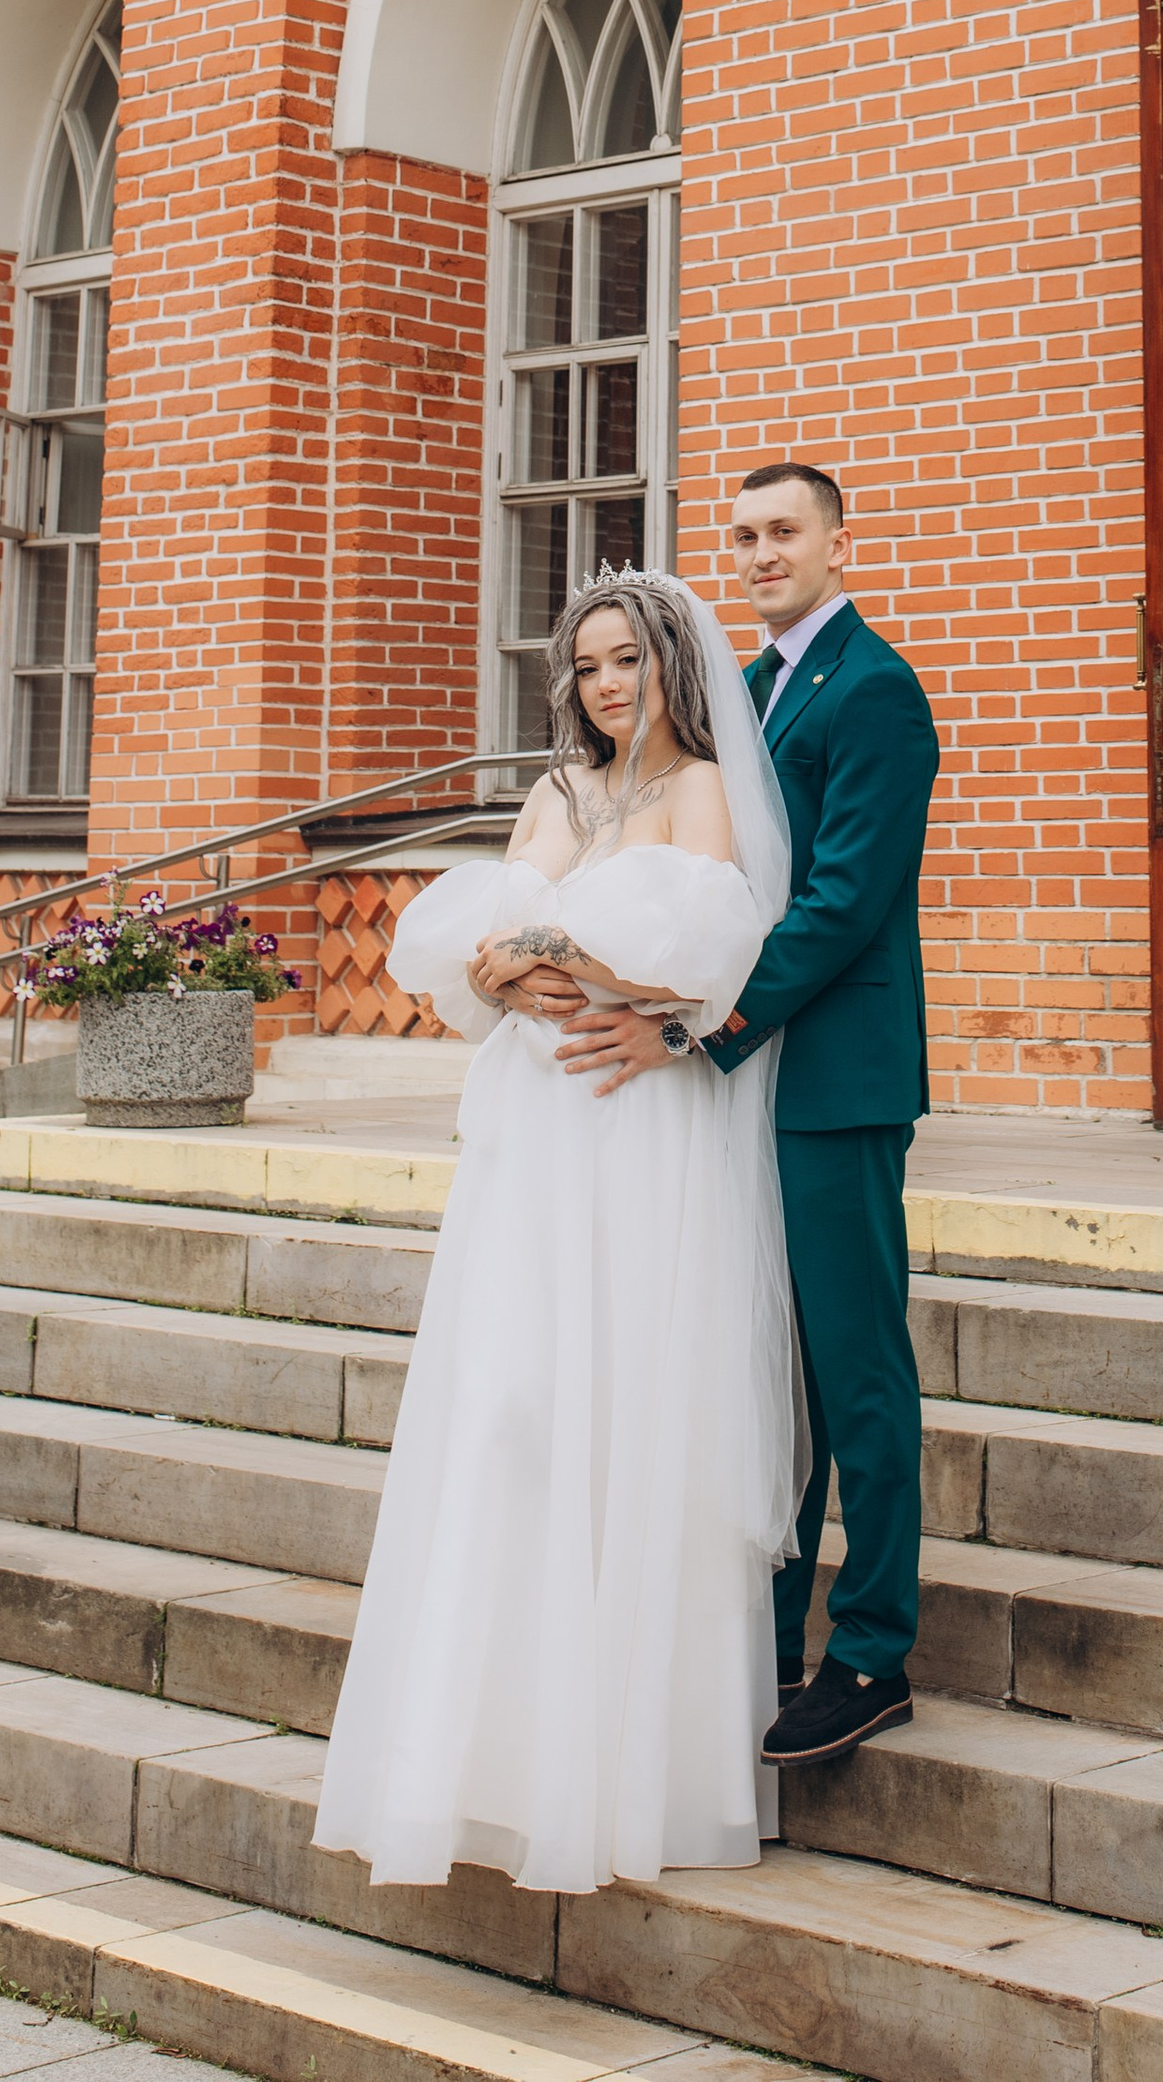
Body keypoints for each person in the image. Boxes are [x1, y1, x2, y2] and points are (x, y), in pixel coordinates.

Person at [312, 570, 805, 1896]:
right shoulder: (556, 793)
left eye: (627, 659)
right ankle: (491, 1760)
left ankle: (633, 1772)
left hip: (634, 1123)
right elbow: (485, 956)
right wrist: (519, 961)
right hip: (533, 1132)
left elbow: (708, 963)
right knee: (510, 1405)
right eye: (586, 664)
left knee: (625, 1401)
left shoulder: (701, 788)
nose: (606, 684)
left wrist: (571, 960)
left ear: (670, 666)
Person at [554, 463, 940, 1768]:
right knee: (764, 1369)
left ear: (838, 541)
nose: (762, 553)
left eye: (785, 532)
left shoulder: (874, 690)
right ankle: (766, 1641)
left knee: (852, 1367)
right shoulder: (749, 687)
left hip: (832, 1080)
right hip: (744, 1086)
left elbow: (839, 902)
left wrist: (700, 1029)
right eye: (744, 536)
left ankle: (873, 1652)